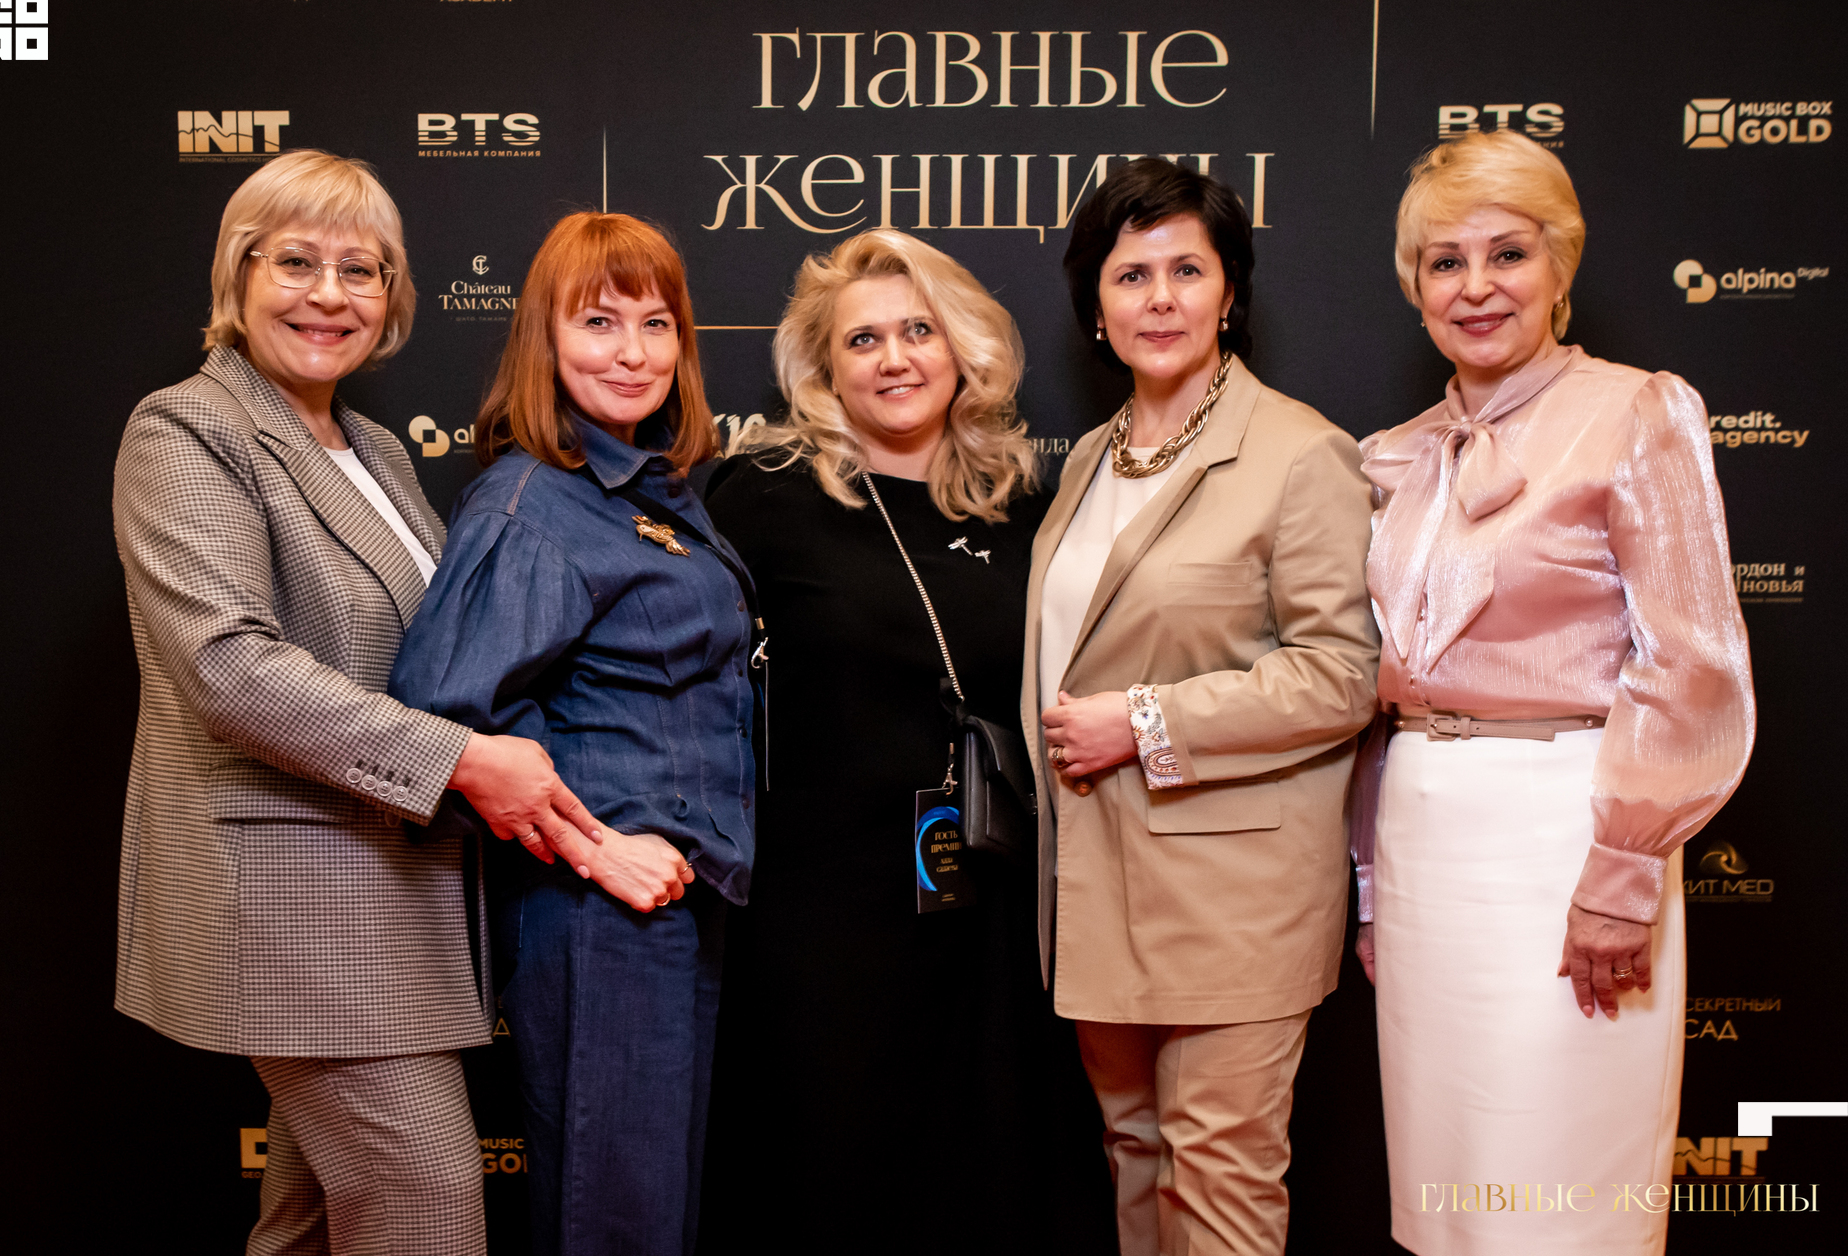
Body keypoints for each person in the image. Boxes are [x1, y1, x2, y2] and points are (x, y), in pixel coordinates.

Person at [113, 150, 603, 1256]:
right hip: (294, 903)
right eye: (295, 262)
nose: (328, 294)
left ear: (391, 296)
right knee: (426, 1206)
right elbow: (229, 667)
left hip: (397, 890)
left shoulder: (372, 448)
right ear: (239, 276)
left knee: (309, 1221)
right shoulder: (184, 428)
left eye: (360, 269)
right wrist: (462, 761)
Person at [1352, 130, 1754, 1256]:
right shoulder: (1397, 455)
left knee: (1558, 1195)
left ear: (1559, 265)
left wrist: (1625, 872)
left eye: (1508, 253)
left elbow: (1690, 661)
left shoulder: (1636, 410)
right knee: (1451, 1193)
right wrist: (1372, 879)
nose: (1476, 286)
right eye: (1445, 261)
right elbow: (1384, 690)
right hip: (1426, 841)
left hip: (1567, 837)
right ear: (1414, 285)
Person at [701, 228, 1117, 1255]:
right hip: (819, 917)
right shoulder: (761, 493)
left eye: (918, 331)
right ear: (824, 366)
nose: (894, 358)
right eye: (864, 339)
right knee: (833, 1172)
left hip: (986, 903)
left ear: (961, 347)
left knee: (979, 1174)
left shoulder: (1024, 503)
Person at [1026, 157, 1380, 1256]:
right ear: (1097, 307)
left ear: (1230, 293)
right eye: (1132, 275)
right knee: (1134, 1152)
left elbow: (1341, 673)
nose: (1161, 298)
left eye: (1188, 270)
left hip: (1234, 894)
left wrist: (1143, 721)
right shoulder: (1090, 460)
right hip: (1095, 880)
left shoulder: (1299, 451)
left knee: (1219, 1176)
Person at [388, 211, 756, 1256]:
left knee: (649, 1216)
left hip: (672, 901)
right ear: (543, 340)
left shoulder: (646, 491)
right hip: (599, 917)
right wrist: (600, 851)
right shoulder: (530, 506)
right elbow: (447, 726)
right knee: (615, 1223)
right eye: (598, 322)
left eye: (655, 324)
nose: (632, 352)